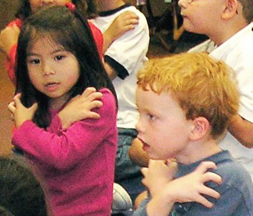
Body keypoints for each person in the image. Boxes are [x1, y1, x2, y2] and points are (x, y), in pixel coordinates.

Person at [8, 5, 118, 216]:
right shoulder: (33, 104)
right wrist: (59, 122)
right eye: (35, 61)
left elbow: (61, 156)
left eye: (59, 57)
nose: (47, 70)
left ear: (82, 55)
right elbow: (35, 167)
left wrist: (25, 127)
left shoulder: (98, 101)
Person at [132, 53, 253, 216]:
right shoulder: (167, 169)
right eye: (140, 114)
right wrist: (162, 195)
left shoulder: (225, 180)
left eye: (151, 117)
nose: (138, 125)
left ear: (197, 129)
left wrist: (163, 194)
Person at [178, 0, 253, 181]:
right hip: (204, 167)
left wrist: (208, 85)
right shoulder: (202, 50)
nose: (181, 3)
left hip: (235, 179)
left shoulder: (248, 54)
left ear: (228, 8)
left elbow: (248, 134)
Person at [91, 0, 150, 202]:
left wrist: (105, 38)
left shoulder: (132, 19)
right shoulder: (80, 19)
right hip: (85, 121)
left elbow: (96, 78)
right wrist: (107, 37)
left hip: (122, 125)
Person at [0, 0, 139, 84]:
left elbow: (88, 76)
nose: (47, 0)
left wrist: (13, 48)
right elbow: (24, 83)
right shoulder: (17, 30)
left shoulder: (85, 28)